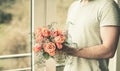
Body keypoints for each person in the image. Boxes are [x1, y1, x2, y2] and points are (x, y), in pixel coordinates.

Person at [62, 0, 120, 71]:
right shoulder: (74, 6)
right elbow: (69, 35)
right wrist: (54, 40)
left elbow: (109, 50)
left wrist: (72, 51)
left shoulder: (108, 6)